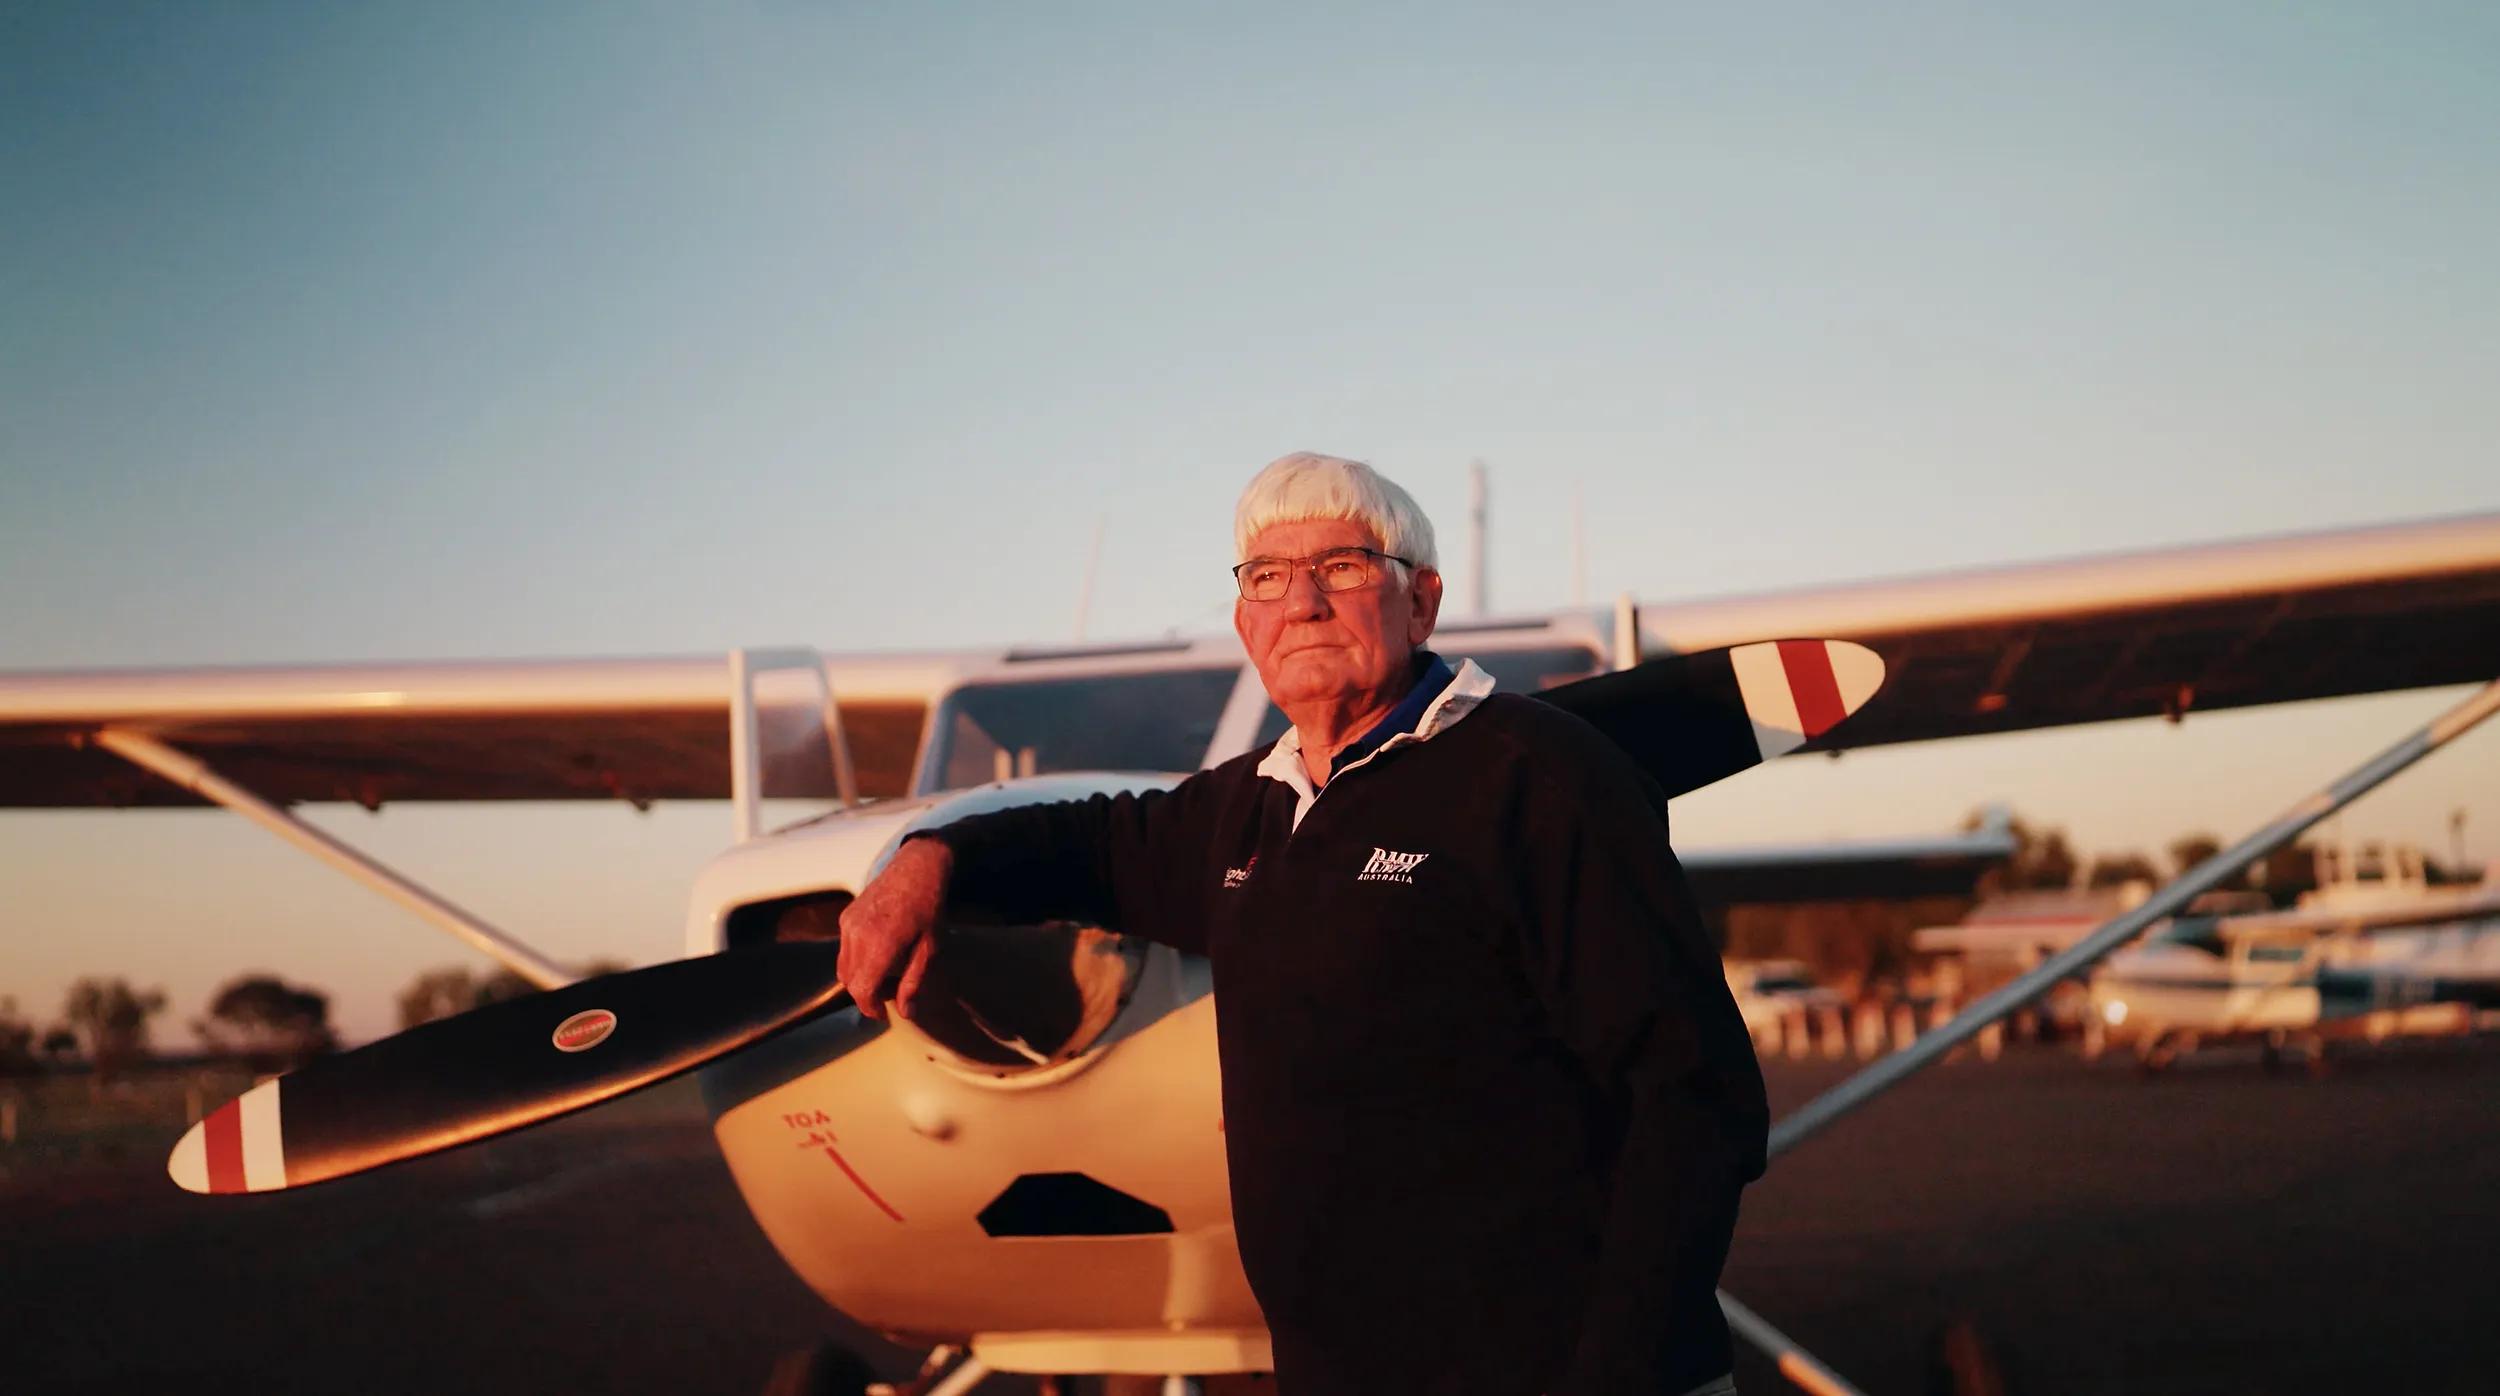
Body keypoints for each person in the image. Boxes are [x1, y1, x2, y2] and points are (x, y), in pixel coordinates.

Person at [839, 452, 1766, 1395]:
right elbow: (1088, 843)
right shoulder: (1247, 809)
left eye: (1344, 567)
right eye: (1268, 577)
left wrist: (1620, 1371)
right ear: (1246, 622)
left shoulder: (1546, 776)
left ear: (1422, 602)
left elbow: (1693, 1093)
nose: (1303, 603)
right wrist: (931, 857)